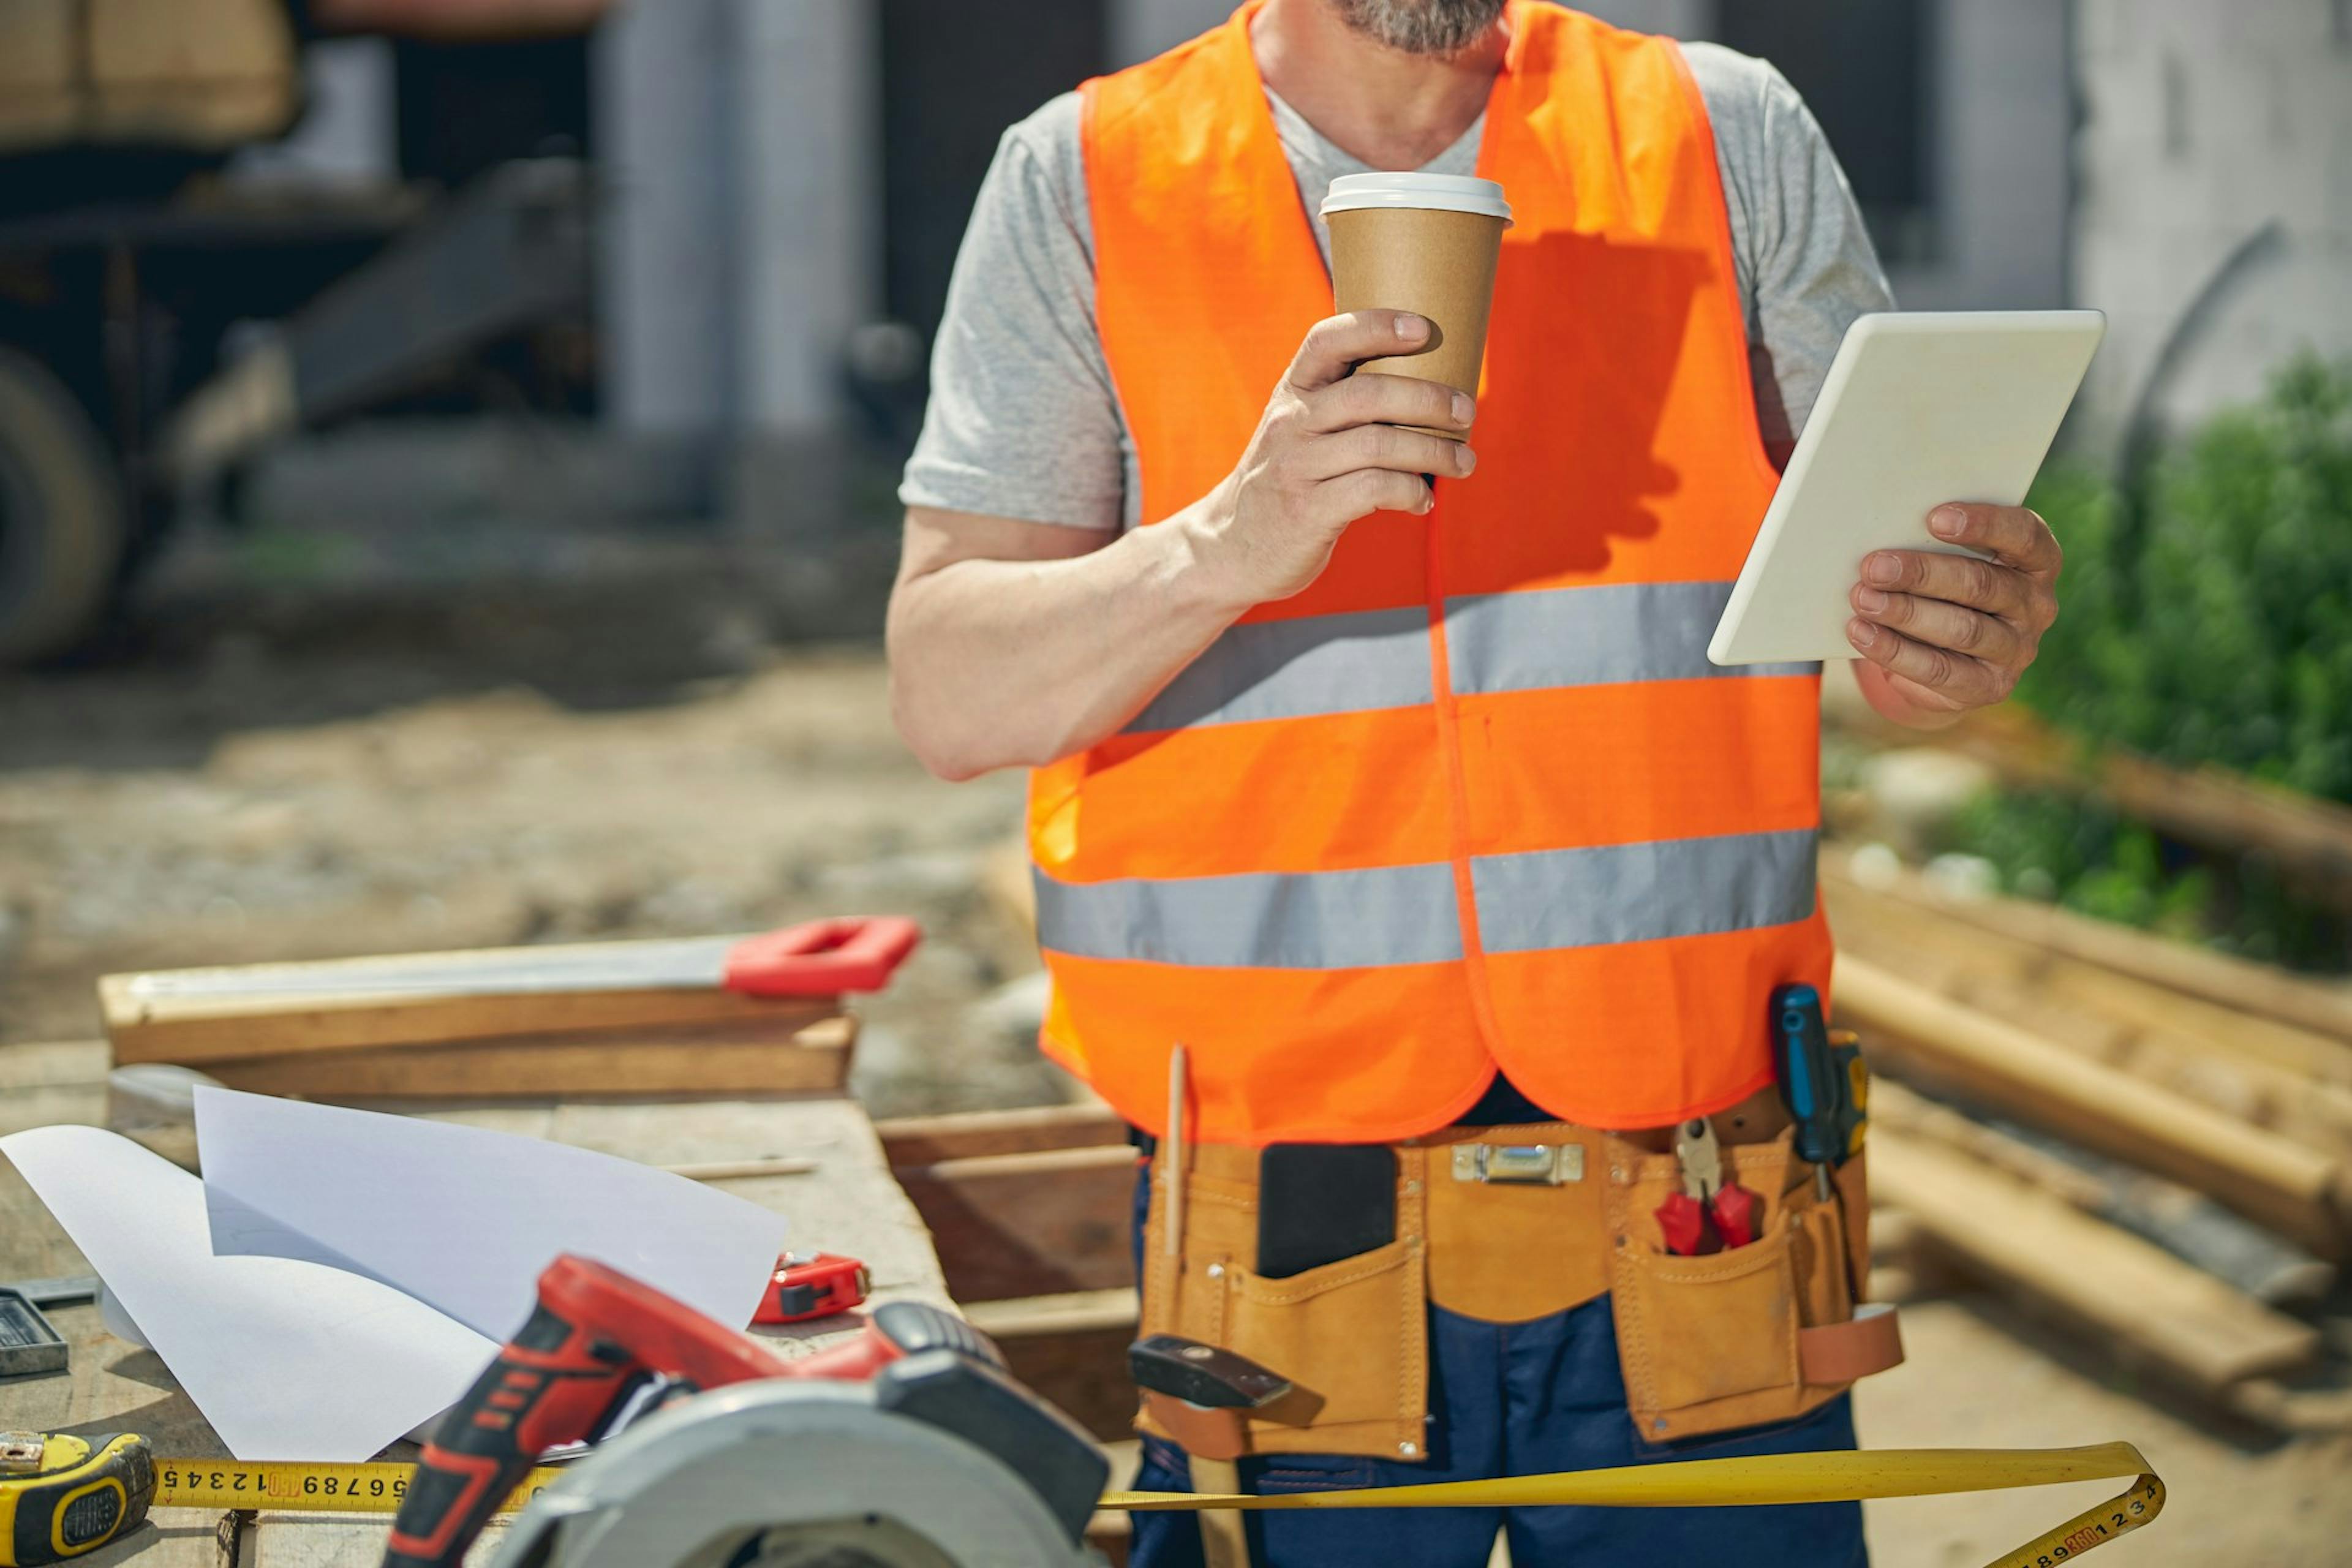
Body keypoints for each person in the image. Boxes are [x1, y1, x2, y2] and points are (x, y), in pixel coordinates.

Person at [886, 3, 2063, 1565]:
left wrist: (1956, 632)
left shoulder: (1720, 132)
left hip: (1701, 1198)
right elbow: (950, 694)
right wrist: (1226, 543)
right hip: (1280, 1240)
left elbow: (1896, 629)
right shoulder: (1089, 177)